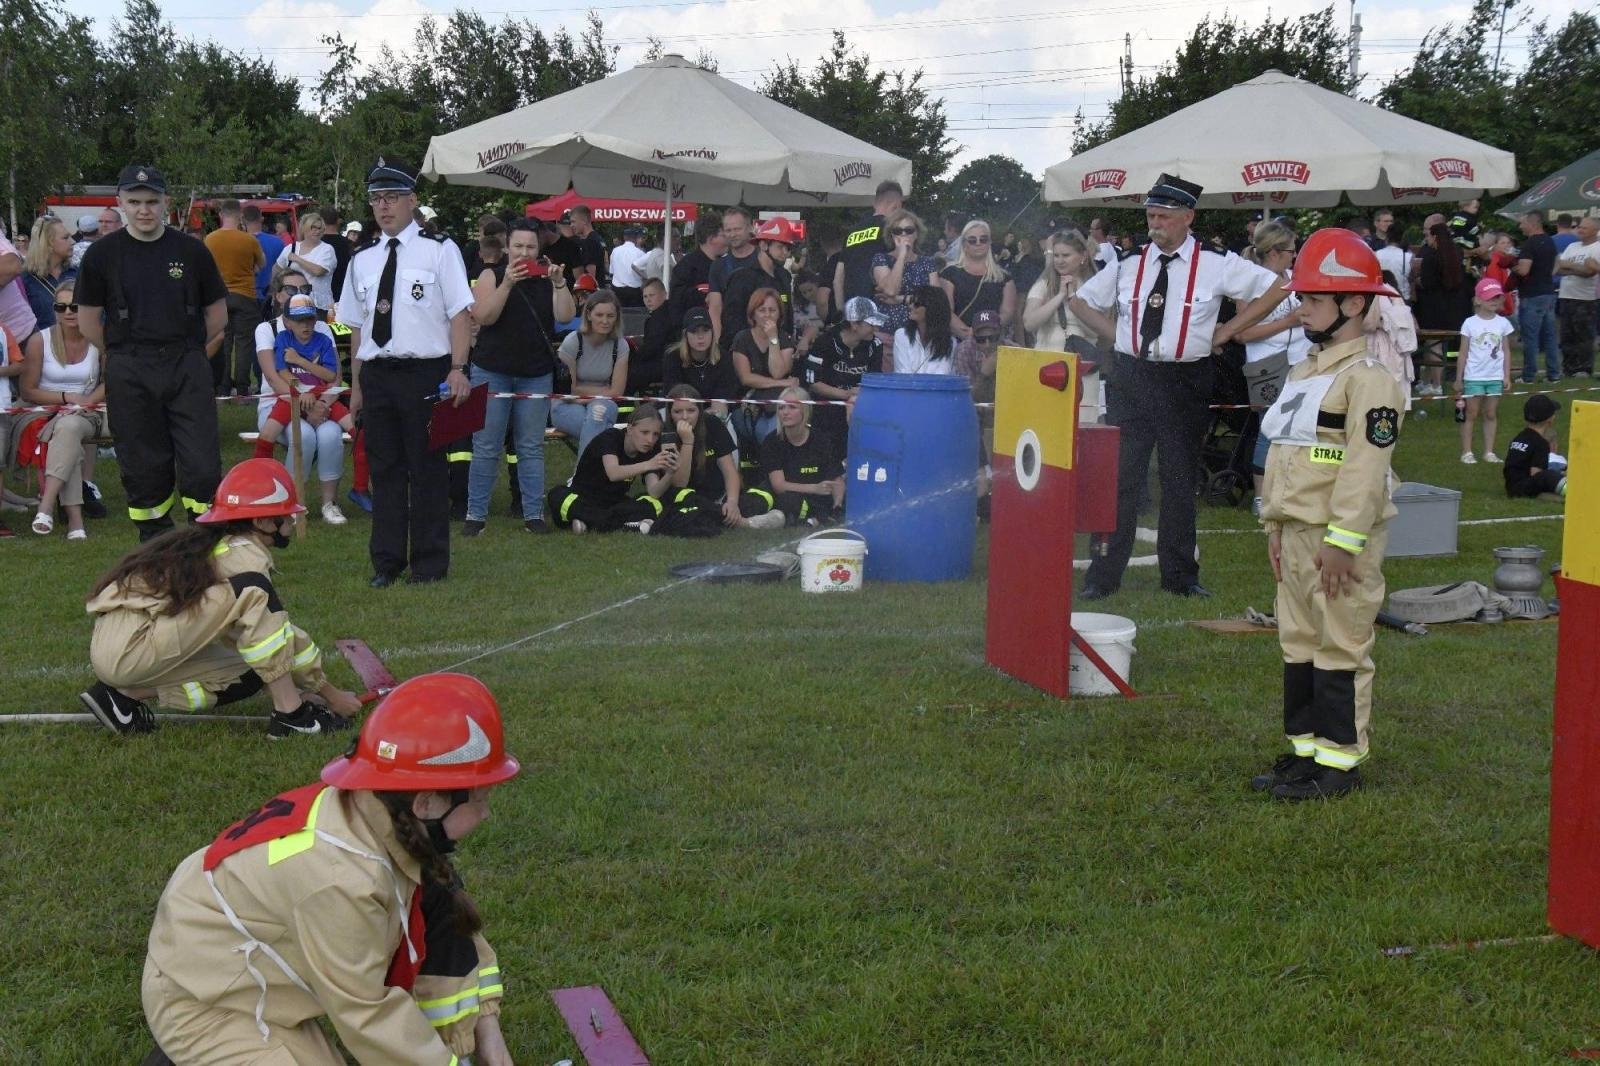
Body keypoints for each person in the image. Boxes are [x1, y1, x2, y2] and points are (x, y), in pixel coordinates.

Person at [140, 672, 517, 1064]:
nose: (486, 813)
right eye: (480, 799)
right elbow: (369, 1017)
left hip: (244, 962)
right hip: (204, 997)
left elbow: (451, 934)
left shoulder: (382, 822)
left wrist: (488, 1037)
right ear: (425, 803)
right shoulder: (341, 882)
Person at [1068, 173, 1277, 600]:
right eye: (1151, 216)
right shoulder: (1129, 261)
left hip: (1185, 379)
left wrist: (1228, 331)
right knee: (1122, 478)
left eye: (1163, 216)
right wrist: (1118, 337)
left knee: (1179, 479)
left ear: (1188, 217)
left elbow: (1275, 287)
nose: (1155, 224)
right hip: (1132, 376)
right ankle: (1103, 575)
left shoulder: (1216, 262)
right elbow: (1081, 301)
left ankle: (1180, 576)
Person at [1252, 228, 1406, 801]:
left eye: (1314, 299)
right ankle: (1306, 753)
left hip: (1337, 541)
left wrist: (1343, 542)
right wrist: (1274, 524)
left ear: (1354, 303)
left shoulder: (1371, 382)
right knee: (1298, 642)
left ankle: (1340, 764)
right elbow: (1287, 452)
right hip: (1295, 533)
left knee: (1340, 644)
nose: (1301, 309)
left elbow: (1364, 469)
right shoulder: (1306, 372)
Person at [81, 458, 362, 737]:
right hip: (131, 649)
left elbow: (273, 635)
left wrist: (316, 691)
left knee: (254, 664)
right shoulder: (246, 559)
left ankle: (122, 696)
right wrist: (332, 695)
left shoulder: (216, 545)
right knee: (254, 596)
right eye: (286, 514)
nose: (291, 520)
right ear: (262, 521)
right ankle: (291, 717)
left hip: (121, 643)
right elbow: (271, 636)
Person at [338, 157, 474, 588]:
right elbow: (357, 328)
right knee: (385, 470)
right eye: (376, 198)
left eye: (392, 197)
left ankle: (429, 564)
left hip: (425, 372)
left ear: (412, 200)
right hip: (378, 373)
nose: (383, 206)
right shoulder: (362, 258)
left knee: (427, 469)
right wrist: (357, 388)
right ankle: (387, 562)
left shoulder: (440, 249)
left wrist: (458, 368)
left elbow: (460, 314)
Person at [75, 165, 227, 541]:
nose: (144, 210)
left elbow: (218, 315)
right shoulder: (101, 254)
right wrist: (122, 352)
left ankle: (204, 538)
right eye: (135, 202)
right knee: (143, 464)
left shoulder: (192, 250)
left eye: (151, 201)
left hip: (186, 363)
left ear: (165, 203)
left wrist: (187, 349)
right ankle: (156, 543)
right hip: (130, 368)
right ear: (120, 203)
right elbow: (88, 321)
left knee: (202, 463)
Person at [465, 218, 573, 536]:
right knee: (486, 445)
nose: (524, 253)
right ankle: (475, 515)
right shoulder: (491, 275)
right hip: (492, 370)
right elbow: (483, 316)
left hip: (535, 373)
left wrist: (560, 284)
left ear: (539, 249)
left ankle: (533, 516)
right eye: (518, 246)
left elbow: (566, 316)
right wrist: (507, 284)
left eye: (530, 247)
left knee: (531, 446)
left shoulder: (547, 279)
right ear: (507, 247)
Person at [249, 294, 352, 521]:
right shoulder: (274, 333)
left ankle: (333, 502)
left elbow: (333, 377)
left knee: (337, 433)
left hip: (321, 400)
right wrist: (299, 394)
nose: (305, 325)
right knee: (296, 435)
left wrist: (321, 401)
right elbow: (277, 376)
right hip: (288, 399)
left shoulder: (323, 334)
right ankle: (272, 493)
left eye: (309, 319)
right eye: (298, 320)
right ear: (286, 320)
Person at [18, 279, 104, 539]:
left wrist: (85, 402)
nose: (68, 312)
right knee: (67, 431)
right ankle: (75, 522)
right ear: (54, 309)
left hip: (89, 410)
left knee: (68, 427)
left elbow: (112, 381)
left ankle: (46, 505)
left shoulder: (100, 339)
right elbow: (27, 391)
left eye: (74, 306)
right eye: (61, 306)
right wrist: (67, 397)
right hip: (45, 410)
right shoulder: (39, 341)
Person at [659, 384, 786, 530]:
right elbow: (679, 483)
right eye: (678, 412)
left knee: (756, 497)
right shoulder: (666, 435)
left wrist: (732, 502)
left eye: (691, 410)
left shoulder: (712, 424)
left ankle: (726, 515)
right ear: (670, 413)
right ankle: (747, 522)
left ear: (699, 410)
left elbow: (729, 470)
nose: (685, 417)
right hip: (687, 497)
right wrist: (687, 442)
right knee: (688, 508)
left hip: (718, 496)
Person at [547, 405, 676, 534]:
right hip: (583, 498)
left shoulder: (649, 450)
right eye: (644, 432)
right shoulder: (611, 437)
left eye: (655, 434)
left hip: (614, 503)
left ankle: (589, 522)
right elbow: (613, 473)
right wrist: (649, 464)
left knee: (654, 503)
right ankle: (620, 523)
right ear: (630, 428)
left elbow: (654, 491)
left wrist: (670, 473)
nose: (650, 440)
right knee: (557, 495)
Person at [553, 289, 628, 457]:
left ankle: (582, 474)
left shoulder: (620, 345)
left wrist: (582, 394)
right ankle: (594, 473)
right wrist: (603, 391)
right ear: (588, 315)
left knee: (596, 417)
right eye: (599, 315)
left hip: (602, 403)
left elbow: (617, 392)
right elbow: (568, 389)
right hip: (566, 405)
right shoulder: (573, 341)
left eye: (610, 316)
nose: (605, 321)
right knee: (598, 426)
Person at [204, 199, 268, 396]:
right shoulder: (249, 240)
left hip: (219, 297)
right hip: (245, 295)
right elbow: (262, 265)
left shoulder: (210, 239)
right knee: (244, 343)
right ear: (240, 216)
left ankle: (222, 386)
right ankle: (242, 387)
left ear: (221, 215)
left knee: (223, 342)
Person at [803, 296, 885, 441]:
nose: (876, 329)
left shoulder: (875, 344)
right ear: (854, 324)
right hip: (826, 412)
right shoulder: (825, 342)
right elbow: (813, 382)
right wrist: (846, 394)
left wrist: (855, 397)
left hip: (861, 409)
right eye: (872, 324)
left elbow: (875, 380)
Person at [760, 385, 845, 526]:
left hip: (817, 500)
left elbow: (837, 480)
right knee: (782, 500)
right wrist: (814, 488)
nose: (785, 412)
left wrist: (838, 505)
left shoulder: (822, 440)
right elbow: (779, 486)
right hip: (788, 496)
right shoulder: (772, 441)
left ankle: (820, 518)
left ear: (805, 410)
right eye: (781, 408)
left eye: (792, 407)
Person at [718, 217, 797, 360]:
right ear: (763, 245)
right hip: (747, 355)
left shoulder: (784, 276)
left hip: (778, 352)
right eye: (780, 247)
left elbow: (787, 317)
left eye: (788, 248)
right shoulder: (742, 278)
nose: (785, 253)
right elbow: (732, 323)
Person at [1455, 278, 1515, 464]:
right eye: (1490, 297)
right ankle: (1467, 452)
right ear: (1478, 300)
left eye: (1497, 297)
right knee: (1471, 414)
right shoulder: (1469, 323)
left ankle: (1489, 451)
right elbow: (1463, 353)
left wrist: (1506, 375)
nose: (1494, 301)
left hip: (1495, 376)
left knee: (1490, 413)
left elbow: (1506, 351)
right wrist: (1459, 379)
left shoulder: (1503, 323)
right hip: (1474, 376)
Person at [731, 286, 799, 443]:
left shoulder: (784, 338)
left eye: (772, 310)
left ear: (779, 314)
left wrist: (773, 338)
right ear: (753, 313)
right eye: (762, 310)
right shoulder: (742, 339)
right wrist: (782, 383)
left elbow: (777, 372)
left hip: (777, 404)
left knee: (773, 430)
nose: (767, 315)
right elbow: (746, 378)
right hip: (748, 405)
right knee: (766, 433)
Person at [1412, 222, 1472, 396]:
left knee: (1433, 344)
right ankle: (1428, 381)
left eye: (1428, 236)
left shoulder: (1431, 257)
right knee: (1436, 344)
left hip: (1433, 307)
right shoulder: (1457, 253)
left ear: (1435, 237)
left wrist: (1416, 280)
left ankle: (1436, 383)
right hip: (1454, 306)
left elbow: (1427, 283)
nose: (1427, 240)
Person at [871, 209, 945, 338]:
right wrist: (901, 257)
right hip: (886, 332)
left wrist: (901, 299)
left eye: (909, 230)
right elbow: (890, 290)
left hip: (920, 332)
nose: (904, 234)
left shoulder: (927, 262)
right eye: (898, 231)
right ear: (892, 235)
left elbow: (935, 300)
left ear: (916, 234)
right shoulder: (881, 258)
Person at [1022, 229, 1097, 352]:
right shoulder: (1044, 284)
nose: (1060, 261)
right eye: (1056, 256)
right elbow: (1029, 323)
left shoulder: (1094, 286)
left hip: (1082, 360)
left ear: (1083, 256)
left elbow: (1095, 332)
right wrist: (1060, 296)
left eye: (1066, 255)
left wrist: (1072, 299)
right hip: (1045, 359)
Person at [941, 219, 1016, 339]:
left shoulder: (1004, 278)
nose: (978, 243)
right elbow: (946, 311)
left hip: (991, 340)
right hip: (957, 341)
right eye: (972, 240)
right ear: (964, 244)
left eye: (983, 239)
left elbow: (1007, 313)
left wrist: (986, 332)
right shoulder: (949, 273)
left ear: (989, 242)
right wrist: (968, 335)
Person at [837, 181, 904, 305]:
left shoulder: (852, 232)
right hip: (880, 306)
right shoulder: (892, 230)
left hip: (852, 307)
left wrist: (841, 311)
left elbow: (838, 279)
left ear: (875, 203)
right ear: (896, 205)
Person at [705, 207, 760, 352]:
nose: (733, 234)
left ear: (750, 228)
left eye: (737, 229)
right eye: (728, 230)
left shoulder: (764, 259)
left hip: (762, 338)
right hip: (730, 341)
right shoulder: (718, 266)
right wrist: (717, 344)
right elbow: (715, 308)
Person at [1515, 211, 1560, 383]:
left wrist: (1513, 267)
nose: (1520, 226)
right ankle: (1553, 374)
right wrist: (1547, 275)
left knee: (1530, 337)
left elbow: (1524, 270)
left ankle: (1529, 375)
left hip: (1532, 294)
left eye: (1522, 223)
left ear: (1532, 224)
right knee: (1550, 336)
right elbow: (1558, 263)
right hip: (1548, 292)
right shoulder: (1549, 241)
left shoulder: (1529, 244)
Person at [662, 306, 739, 405]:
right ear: (685, 335)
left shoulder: (723, 357)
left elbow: (725, 394)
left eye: (705, 330)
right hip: (682, 408)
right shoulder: (672, 357)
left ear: (712, 332)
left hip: (714, 410)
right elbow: (673, 391)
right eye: (694, 331)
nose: (701, 336)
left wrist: (718, 408)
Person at [1554, 216, 1600, 378]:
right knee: (1566, 335)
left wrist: (1569, 266)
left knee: (1584, 335)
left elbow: (1590, 272)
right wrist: (1577, 267)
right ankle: (1568, 368)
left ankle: (1584, 368)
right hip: (1566, 295)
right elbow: (1559, 267)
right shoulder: (1572, 246)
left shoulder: (1597, 248)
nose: (1580, 230)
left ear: (1595, 231)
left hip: (1586, 299)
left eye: (1584, 228)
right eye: (1579, 227)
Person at [668, 212, 724, 331]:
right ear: (711, 238)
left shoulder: (727, 265)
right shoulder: (686, 267)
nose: (728, 238)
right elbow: (676, 305)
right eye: (723, 235)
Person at [1505, 393, 1567, 498]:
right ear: (1550, 419)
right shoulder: (1541, 444)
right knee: (1548, 476)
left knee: (1550, 474)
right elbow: (1536, 475)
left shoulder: (1519, 437)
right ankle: (1572, 490)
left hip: (1511, 486)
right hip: (1525, 487)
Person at [274, 209, 337, 313]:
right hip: (292, 304)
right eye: (313, 227)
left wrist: (297, 259)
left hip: (318, 306)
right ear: (304, 228)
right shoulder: (291, 248)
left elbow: (318, 271)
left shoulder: (327, 249)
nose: (317, 231)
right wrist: (275, 290)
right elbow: (276, 269)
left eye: (319, 228)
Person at [22, 215, 76, 330]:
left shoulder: (77, 273)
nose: (73, 242)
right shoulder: (25, 279)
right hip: (43, 339)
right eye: (65, 238)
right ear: (48, 243)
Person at [892, 285, 958, 374]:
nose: (910, 306)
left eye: (916, 304)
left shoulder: (950, 342)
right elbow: (903, 374)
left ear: (932, 308)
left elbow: (947, 377)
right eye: (911, 302)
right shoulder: (902, 335)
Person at [630, 276, 673, 393]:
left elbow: (652, 347)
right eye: (645, 296)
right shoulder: (666, 313)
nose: (648, 300)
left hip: (662, 365)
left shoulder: (659, 318)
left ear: (664, 294)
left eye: (652, 295)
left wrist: (633, 357)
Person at [243, 203, 284, 310]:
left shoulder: (238, 242)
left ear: (243, 220)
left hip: (245, 294)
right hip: (270, 295)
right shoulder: (278, 242)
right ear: (261, 218)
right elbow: (283, 271)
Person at [568, 204, 608, 286]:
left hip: (592, 290)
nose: (571, 225)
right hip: (600, 287)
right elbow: (605, 262)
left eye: (573, 221)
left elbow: (590, 276)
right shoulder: (598, 238)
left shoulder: (590, 242)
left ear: (584, 221)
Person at [609, 225, 648, 306]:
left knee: (619, 312)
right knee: (636, 313)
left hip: (617, 289)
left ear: (624, 237)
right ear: (635, 238)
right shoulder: (640, 253)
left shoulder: (615, 251)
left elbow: (612, 272)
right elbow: (645, 274)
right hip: (635, 290)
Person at [1374, 227, 1413, 304]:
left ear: (1387, 238)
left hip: (1383, 297)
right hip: (1403, 298)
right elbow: (1411, 278)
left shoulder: (1376, 254)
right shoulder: (1409, 256)